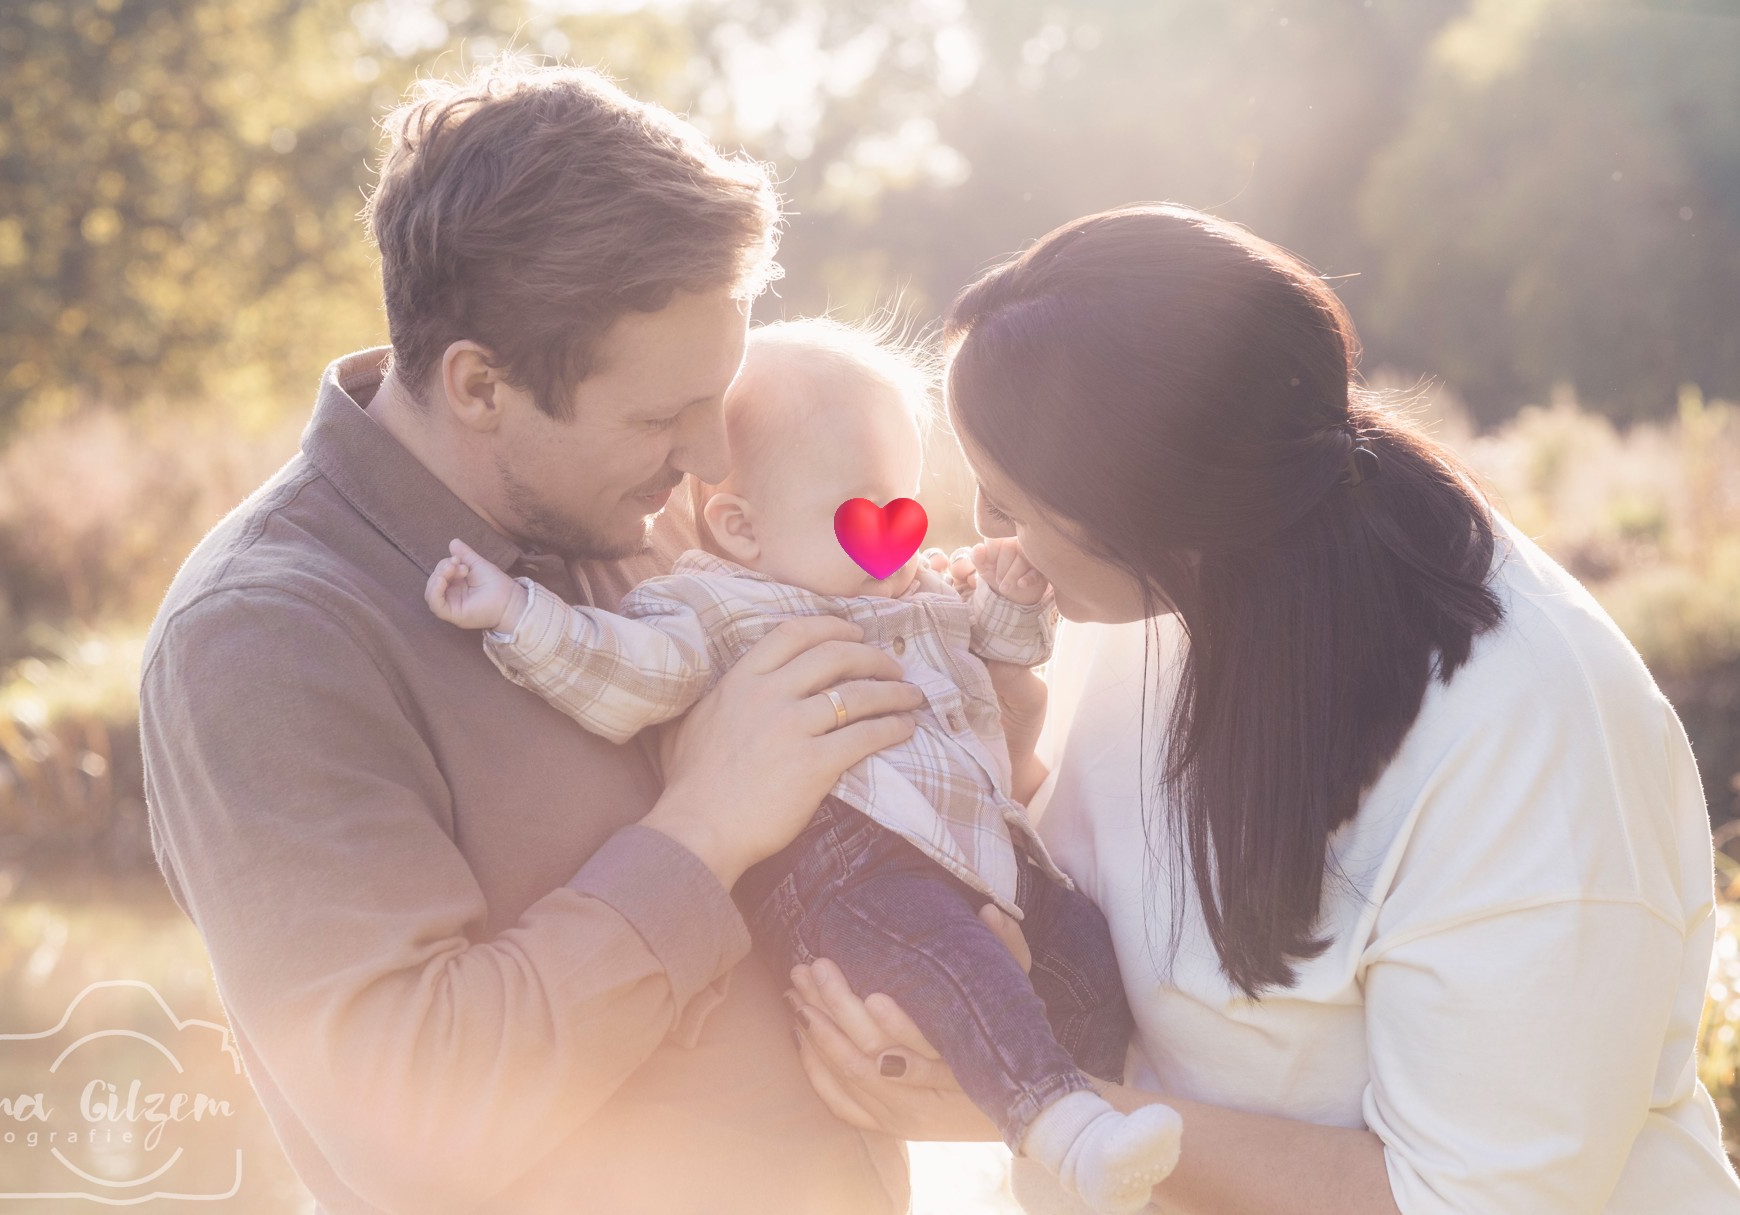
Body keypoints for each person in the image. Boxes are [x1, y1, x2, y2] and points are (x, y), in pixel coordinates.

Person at [784, 204, 1740, 1214]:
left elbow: (1469, 1200)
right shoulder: (1144, 597)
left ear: (1146, 506)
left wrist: (1036, 1102)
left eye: (1011, 501)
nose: (982, 530)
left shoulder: (1527, 741)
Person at [137, 60, 926, 1214]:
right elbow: (409, 1120)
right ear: (478, 385)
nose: (710, 461)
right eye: (660, 417)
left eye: (719, 395)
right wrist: (701, 830)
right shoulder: (266, 639)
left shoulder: (653, 517)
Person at [424, 318, 1184, 1213]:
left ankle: (1075, 1125)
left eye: (903, 504)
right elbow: (628, 669)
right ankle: (1061, 1119)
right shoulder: (714, 605)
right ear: (742, 527)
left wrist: (1015, 600)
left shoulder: (912, 590)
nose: (897, 538)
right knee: (953, 960)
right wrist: (515, 612)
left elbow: (998, 647)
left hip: (977, 848)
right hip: (845, 872)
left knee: (1086, 950)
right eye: (862, 510)